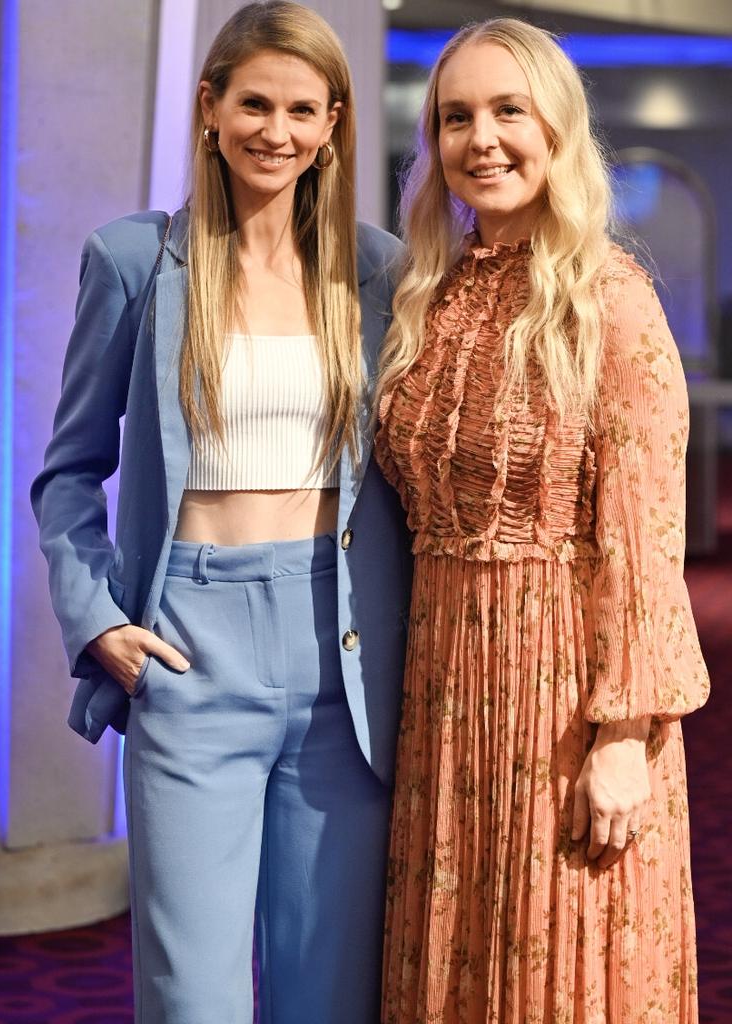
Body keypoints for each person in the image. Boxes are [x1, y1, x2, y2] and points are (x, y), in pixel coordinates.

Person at [31, 3, 411, 1022]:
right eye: (253, 104)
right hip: (192, 649)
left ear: (333, 122)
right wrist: (97, 617)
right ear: (209, 107)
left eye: (301, 109)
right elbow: (67, 471)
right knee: (193, 993)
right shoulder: (133, 261)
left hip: (343, 653)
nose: (275, 132)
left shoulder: (376, 270)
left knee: (326, 991)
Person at [375, 18, 710, 1024]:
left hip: (567, 697)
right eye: (456, 117)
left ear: (556, 128)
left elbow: (647, 534)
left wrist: (623, 735)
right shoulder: (425, 297)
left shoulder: (613, 298)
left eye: (508, 110)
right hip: (441, 695)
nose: (483, 138)